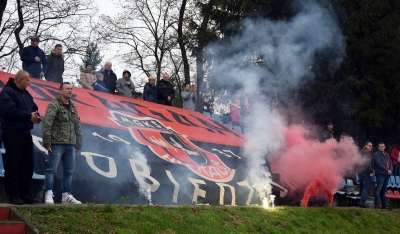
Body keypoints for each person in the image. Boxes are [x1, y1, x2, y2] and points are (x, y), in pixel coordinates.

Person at [0, 70, 42, 205]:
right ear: (20, 80)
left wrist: (36, 115)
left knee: (28, 165)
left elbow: (34, 107)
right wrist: (28, 116)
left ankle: (25, 193)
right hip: (12, 133)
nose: (30, 82)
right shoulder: (7, 92)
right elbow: (9, 110)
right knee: (13, 165)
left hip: (25, 133)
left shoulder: (27, 94)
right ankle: (13, 194)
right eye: (28, 80)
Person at [42, 82, 83, 204]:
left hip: (70, 144)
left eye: (71, 89)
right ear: (61, 91)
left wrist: (79, 142)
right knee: (51, 169)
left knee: (69, 171)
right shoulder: (54, 105)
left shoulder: (73, 107)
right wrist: (47, 141)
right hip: (56, 143)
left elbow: (78, 126)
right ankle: (48, 193)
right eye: (67, 89)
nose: (70, 90)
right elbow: (47, 123)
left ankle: (67, 195)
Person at [373, 142, 393, 209]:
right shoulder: (376, 154)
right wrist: (387, 170)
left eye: (382, 146)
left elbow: (390, 163)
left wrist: (391, 170)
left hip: (386, 174)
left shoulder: (387, 154)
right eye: (380, 146)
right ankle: (377, 204)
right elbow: (379, 164)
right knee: (378, 189)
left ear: (384, 147)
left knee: (384, 190)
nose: (381, 147)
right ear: (378, 147)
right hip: (380, 174)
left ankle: (384, 205)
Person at [358, 142, 374, 208]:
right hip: (366, 173)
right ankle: (362, 202)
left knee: (362, 188)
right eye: (370, 146)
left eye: (371, 146)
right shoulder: (366, 153)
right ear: (366, 145)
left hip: (360, 173)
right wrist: (370, 171)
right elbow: (367, 164)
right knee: (366, 188)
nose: (371, 147)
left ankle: (361, 202)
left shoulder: (360, 151)